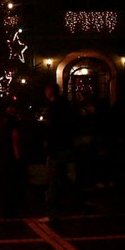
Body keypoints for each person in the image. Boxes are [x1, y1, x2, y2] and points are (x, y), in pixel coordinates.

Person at [42, 82, 76, 221]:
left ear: (50, 92)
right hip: (64, 145)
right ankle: (77, 199)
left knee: (53, 180)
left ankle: (53, 210)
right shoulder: (64, 105)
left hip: (56, 147)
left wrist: (48, 143)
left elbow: (53, 128)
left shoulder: (54, 107)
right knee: (62, 176)